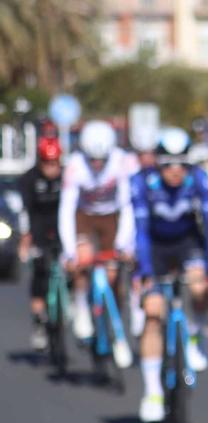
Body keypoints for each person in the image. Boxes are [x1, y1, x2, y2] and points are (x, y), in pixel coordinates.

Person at [130, 128, 208, 423]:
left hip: (187, 243)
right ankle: (153, 391)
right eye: (169, 164)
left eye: (182, 163)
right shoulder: (143, 182)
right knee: (153, 313)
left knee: (197, 287)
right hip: (154, 247)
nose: (175, 171)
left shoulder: (200, 180)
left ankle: (196, 335)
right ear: (158, 164)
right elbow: (141, 232)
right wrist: (144, 270)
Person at [58, 119, 135, 368]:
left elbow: (128, 205)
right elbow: (67, 209)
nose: (97, 164)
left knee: (113, 273)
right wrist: (69, 250)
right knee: (83, 259)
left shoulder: (122, 162)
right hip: (85, 216)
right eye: (93, 159)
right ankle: (81, 305)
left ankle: (115, 325)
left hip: (112, 216)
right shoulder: (74, 166)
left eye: (101, 159)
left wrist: (124, 243)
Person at [21, 135, 65, 349]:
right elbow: (24, 210)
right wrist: (25, 239)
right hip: (38, 230)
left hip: (61, 229)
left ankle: (73, 302)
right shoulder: (29, 179)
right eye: (47, 163)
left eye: (55, 163)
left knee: (73, 267)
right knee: (40, 274)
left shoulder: (66, 177)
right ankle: (39, 322)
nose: (51, 168)